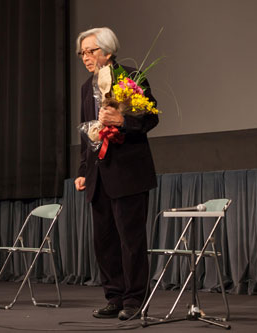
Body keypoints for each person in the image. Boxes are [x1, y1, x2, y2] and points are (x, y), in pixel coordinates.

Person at [74, 27, 159, 320]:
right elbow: (87, 131)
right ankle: (115, 296)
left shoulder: (132, 77)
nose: (85, 57)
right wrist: (83, 170)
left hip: (128, 172)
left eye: (90, 50)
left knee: (130, 240)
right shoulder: (87, 87)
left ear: (108, 51)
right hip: (99, 174)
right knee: (104, 241)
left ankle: (134, 300)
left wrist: (122, 120)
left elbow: (150, 118)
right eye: (82, 52)